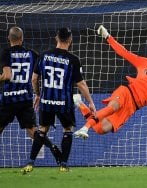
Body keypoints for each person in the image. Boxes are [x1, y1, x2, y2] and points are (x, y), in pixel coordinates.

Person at [0, 26, 61, 171]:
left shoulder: (6, 53)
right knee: (33, 132)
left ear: (9, 38)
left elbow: (7, 76)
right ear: (22, 38)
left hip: (9, 100)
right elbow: (42, 73)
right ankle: (53, 148)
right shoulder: (32, 54)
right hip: (25, 100)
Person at [22, 27, 95, 173]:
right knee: (67, 130)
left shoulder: (43, 56)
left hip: (46, 100)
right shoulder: (73, 60)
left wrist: (37, 94)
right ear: (70, 40)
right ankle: (63, 165)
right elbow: (80, 84)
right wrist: (90, 102)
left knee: (42, 130)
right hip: (64, 103)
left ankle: (30, 163)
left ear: (56, 38)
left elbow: (34, 79)